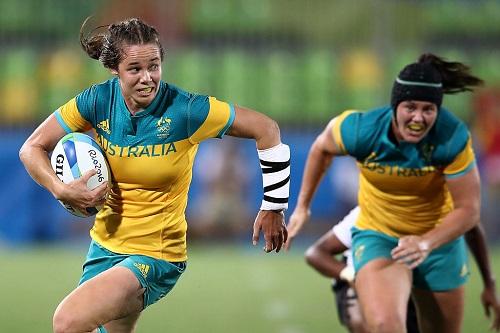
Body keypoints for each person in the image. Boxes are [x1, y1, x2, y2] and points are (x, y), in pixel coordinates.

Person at [19, 17, 290, 333]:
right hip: (104, 247)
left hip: (156, 256)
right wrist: (59, 188)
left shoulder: (186, 110)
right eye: (135, 69)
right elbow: (32, 147)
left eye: (154, 66)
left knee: (68, 321)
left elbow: (266, 129)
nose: (147, 78)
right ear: (114, 70)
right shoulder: (96, 101)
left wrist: (274, 204)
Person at [286, 53, 483, 333]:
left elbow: (469, 211)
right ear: (394, 106)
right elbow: (322, 148)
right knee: (384, 326)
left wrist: (425, 242)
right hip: (380, 235)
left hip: (437, 242)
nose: (418, 117)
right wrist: (303, 206)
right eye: (410, 107)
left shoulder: (451, 137)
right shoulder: (361, 130)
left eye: (428, 109)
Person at [305, 206, 500, 332]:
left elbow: (470, 224)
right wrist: (351, 275)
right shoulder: (369, 213)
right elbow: (315, 253)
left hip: (410, 284)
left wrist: (489, 285)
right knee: (367, 321)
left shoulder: (437, 204)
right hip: (358, 280)